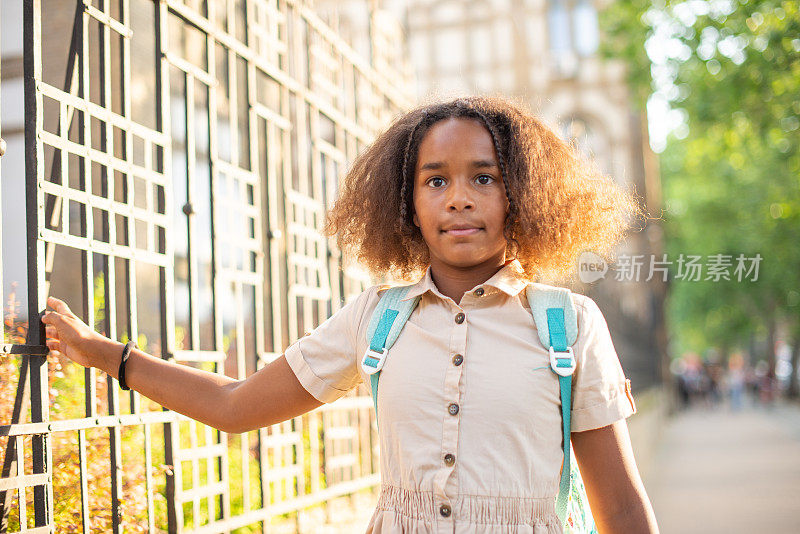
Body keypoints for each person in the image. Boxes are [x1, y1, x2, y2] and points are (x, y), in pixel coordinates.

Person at [43, 96, 659, 533]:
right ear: (408, 202)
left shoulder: (570, 325)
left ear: (521, 194)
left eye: (485, 177)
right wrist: (102, 352)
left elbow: (622, 512)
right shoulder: (375, 318)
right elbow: (234, 407)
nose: (461, 196)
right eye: (435, 181)